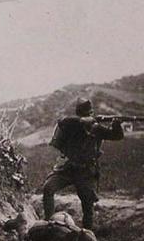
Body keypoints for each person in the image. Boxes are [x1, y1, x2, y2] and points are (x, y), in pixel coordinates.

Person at [42, 98, 124, 229]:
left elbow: (117, 136)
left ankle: (87, 234)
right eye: (86, 114)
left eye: (90, 113)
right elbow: (62, 121)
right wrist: (83, 120)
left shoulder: (96, 128)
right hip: (67, 169)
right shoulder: (71, 125)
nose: (89, 116)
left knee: (87, 205)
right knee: (48, 188)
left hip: (85, 172)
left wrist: (116, 124)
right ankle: (49, 225)